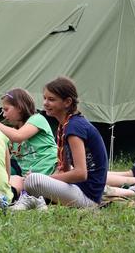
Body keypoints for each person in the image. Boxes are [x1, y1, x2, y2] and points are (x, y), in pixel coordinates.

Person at [21, 77, 109, 208]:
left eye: (51, 99)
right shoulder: (65, 126)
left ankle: (35, 199)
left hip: (87, 196)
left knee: (33, 180)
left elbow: (81, 173)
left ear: (67, 102)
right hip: (78, 189)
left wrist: (44, 178)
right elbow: (65, 169)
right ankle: (36, 199)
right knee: (32, 180)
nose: (45, 103)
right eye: (45, 98)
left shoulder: (74, 128)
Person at [0, 88, 57, 176]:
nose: (4, 115)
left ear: (19, 107)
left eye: (6, 109)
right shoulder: (12, 135)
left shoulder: (37, 119)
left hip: (52, 174)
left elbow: (18, 136)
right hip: (29, 180)